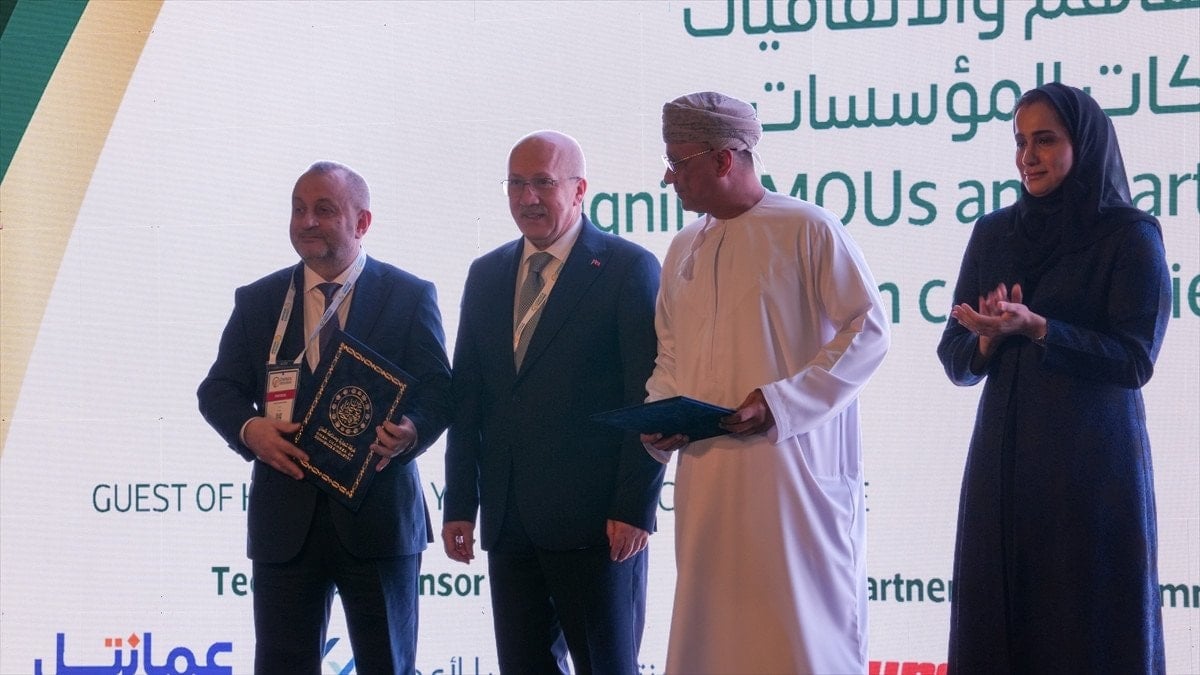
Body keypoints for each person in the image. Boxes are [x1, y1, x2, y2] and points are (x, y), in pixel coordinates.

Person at [642, 92, 891, 673]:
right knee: (714, 637)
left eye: (679, 163)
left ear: (724, 159)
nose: (669, 177)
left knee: (799, 640)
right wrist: (660, 413)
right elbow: (672, 350)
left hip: (790, 474)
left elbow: (869, 331)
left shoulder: (808, 227)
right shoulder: (682, 246)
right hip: (708, 481)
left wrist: (782, 403)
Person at [938, 83, 1169, 672]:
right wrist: (987, 337)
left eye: (1044, 140)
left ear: (1083, 145)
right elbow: (954, 356)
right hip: (1004, 467)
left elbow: (1134, 359)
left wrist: (1041, 328)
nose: (1028, 156)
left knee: (1084, 626)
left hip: (1091, 472)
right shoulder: (994, 233)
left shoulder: (1129, 235)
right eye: (1020, 142)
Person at [197, 160, 452, 674]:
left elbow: (440, 390)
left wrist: (411, 432)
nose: (307, 221)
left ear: (362, 222)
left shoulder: (408, 295)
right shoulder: (259, 301)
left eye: (324, 210)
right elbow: (217, 390)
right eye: (298, 209)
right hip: (286, 523)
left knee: (388, 665)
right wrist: (251, 430)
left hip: (378, 519)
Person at [441, 130, 664, 674]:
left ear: (580, 189)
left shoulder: (627, 268)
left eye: (543, 182)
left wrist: (634, 507)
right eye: (516, 184)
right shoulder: (486, 274)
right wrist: (459, 505)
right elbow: (468, 399)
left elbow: (647, 397)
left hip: (598, 525)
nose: (527, 198)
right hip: (509, 520)